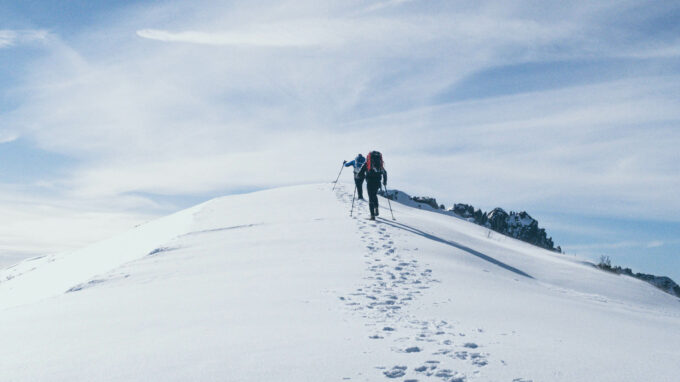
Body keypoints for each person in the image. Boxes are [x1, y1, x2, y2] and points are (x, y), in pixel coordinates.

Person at [357, 151, 387, 220]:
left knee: (371, 197)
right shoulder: (380, 164)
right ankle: (376, 208)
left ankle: (372, 215)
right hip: (378, 183)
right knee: (374, 195)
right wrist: (384, 182)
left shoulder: (367, 164)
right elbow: (385, 173)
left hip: (370, 182)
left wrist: (361, 176)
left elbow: (360, 173)